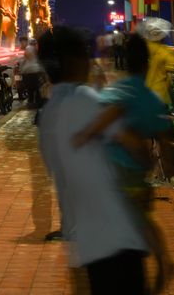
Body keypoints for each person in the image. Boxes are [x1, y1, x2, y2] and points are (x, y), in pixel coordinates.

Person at [37, 25, 149, 295]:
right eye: (85, 53)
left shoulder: (47, 114)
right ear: (74, 60)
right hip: (117, 233)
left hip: (87, 238)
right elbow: (138, 151)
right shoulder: (84, 99)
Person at [75, 33, 174, 292]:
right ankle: (163, 258)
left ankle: (161, 260)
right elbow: (165, 146)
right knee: (140, 221)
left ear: (122, 63)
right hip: (136, 177)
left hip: (111, 179)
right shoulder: (152, 101)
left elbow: (94, 128)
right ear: (147, 65)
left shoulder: (114, 93)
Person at [20, 37, 44, 107]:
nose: (21, 44)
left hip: (31, 71)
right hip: (33, 71)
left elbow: (28, 57)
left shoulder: (29, 48)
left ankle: (32, 102)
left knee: (31, 88)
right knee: (34, 88)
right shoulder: (31, 48)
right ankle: (35, 102)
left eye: (22, 42)